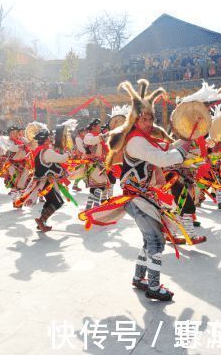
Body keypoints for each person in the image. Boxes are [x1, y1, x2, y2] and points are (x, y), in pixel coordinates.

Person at [81, 80, 192, 301]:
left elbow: (163, 150)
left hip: (141, 197)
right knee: (156, 242)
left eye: (151, 118)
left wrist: (184, 142)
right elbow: (162, 157)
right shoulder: (137, 141)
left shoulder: (142, 139)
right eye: (144, 118)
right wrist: (183, 149)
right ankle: (153, 286)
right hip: (138, 198)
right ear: (135, 120)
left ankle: (139, 278)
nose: (149, 122)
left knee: (148, 241)